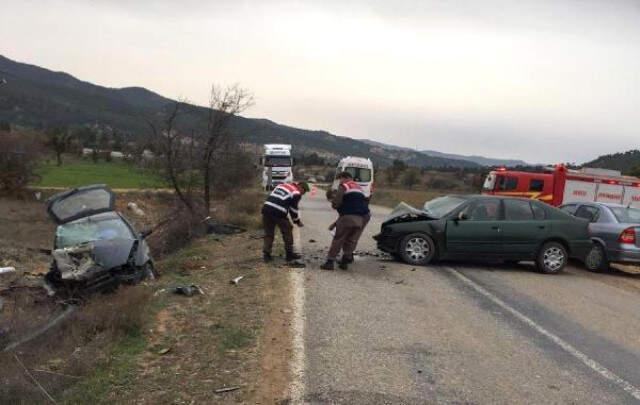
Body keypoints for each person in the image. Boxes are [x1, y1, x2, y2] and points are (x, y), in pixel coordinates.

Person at [321, 172, 370, 270]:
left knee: (338, 239)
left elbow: (337, 202)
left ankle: (329, 262)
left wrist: (334, 204)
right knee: (351, 240)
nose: (339, 182)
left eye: (340, 179)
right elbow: (355, 208)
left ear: (345, 178)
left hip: (348, 218)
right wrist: (335, 224)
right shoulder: (358, 188)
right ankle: (345, 262)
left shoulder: (344, 186)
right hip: (361, 218)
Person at [261, 181, 309, 263]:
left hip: (266, 209)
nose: (303, 194)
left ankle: (266, 255)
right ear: (301, 187)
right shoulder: (296, 193)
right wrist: (297, 221)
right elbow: (293, 210)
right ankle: (289, 255)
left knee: (269, 233)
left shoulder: (282, 185)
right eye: (304, 192)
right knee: (287, 231)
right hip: (278, 212)